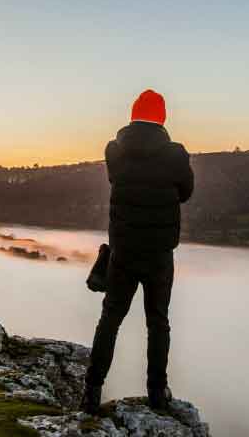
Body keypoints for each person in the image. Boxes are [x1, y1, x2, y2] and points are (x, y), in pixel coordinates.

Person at [81, 89, 194, 414]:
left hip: (123, 251)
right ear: (162, 118)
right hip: (159, 253)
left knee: (110, 319)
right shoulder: (175, 155)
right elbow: (186, 192)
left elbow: (119, 179)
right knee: (158, 322)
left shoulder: (115, 151)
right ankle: (157, 392)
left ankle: (91, 392)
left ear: (132, 115)